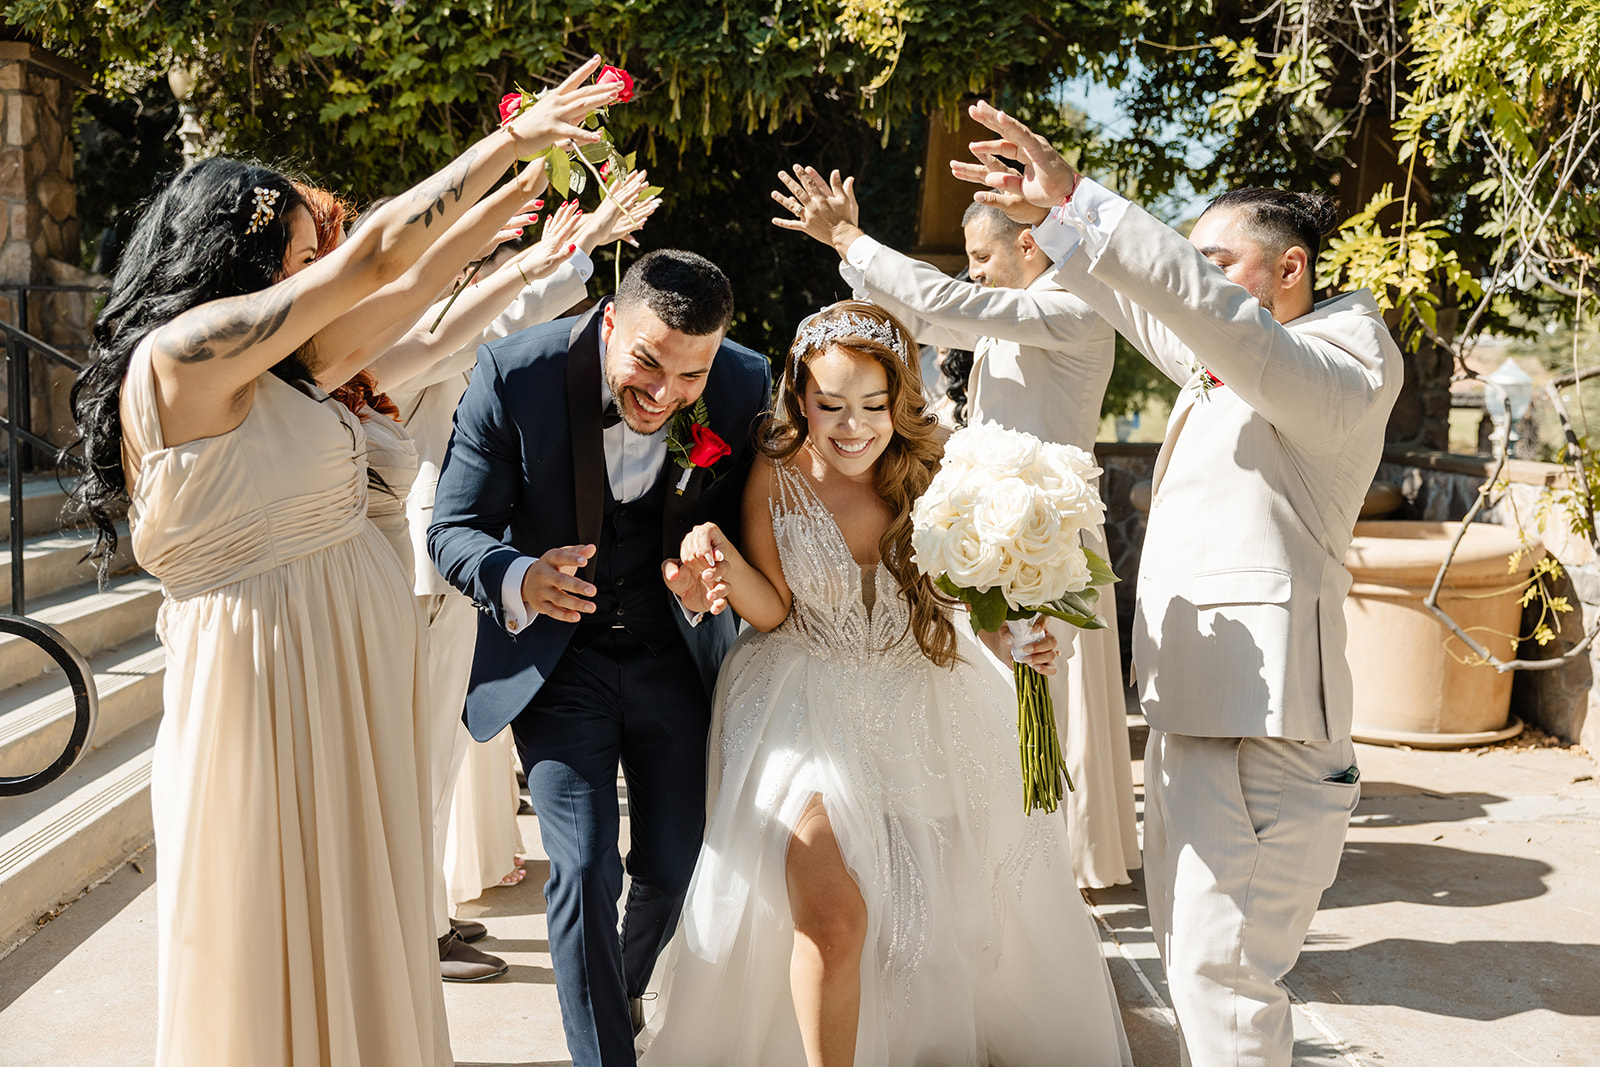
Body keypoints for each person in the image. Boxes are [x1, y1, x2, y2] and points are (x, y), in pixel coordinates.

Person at [67, 57, 622, 1065]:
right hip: (265, 685)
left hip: (338, 681)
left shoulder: (292, 374)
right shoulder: (182, 360)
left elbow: (412, 291)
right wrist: (511, 140)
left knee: (353, 919)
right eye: (296, 250)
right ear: (235, 252)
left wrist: (519, 214)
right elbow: (371, 262)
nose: (312, 264)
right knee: (275, 925)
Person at [952, 100, 1402, 1067]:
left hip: (1265, 725)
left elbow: (1208, 314)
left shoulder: (1347, 360)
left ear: (1291, 270)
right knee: (1195, 968)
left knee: (1223, 976)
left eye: (1218, 262)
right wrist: (1056, 221)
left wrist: (1083, 193)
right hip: (1192, 704)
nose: (1198, 279)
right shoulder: (1234, 360)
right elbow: (1144, 305)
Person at [635, 300, 1131, 1067]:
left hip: (927, 704)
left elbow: (974, 602)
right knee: (833, 922)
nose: (853, 426)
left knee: (925, 931)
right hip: (801, 705)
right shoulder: (776, 468)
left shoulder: (943, 469)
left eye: (873, 404)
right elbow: (775, 608)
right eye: (830, 403)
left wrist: (1017, 636)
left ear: (900, 399)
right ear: (800, 395)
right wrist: (723, 565)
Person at [427, 249, 772, 1067]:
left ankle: (612, 988)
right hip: (559, 663)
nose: (665, 393)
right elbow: (452, 528)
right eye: (648, 363)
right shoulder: (516, 374)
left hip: (671, 649)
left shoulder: (744, 382)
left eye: (690, 376)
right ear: (611, 320)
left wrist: (709, 575)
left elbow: (753, 524)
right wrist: (517, 574)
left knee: (676, 865)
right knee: (583, 867)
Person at [771, 163, 1140, 890]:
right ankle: (1020, 850)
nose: (973, 272)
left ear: (1028, 245)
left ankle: (1058, 856)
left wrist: (850, 237)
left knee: (1048, 695)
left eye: (980, 257)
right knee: (1000, 698)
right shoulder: (1014, 311)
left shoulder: (1074, 307)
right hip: (988, 531)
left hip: (1050, 532)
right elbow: (922, 318)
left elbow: (944, 301)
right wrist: (851, 255)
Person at [386, 178, 662, 981]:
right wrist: (569, 252)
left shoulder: (428, 324)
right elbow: (490, 330)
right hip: (427, 570)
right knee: (421, 757)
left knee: (437, 755)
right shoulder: (411, 332)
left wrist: (561, 252)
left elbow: (495, 322)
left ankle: (429, 915)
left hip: (442, 575)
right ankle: (415, 931)